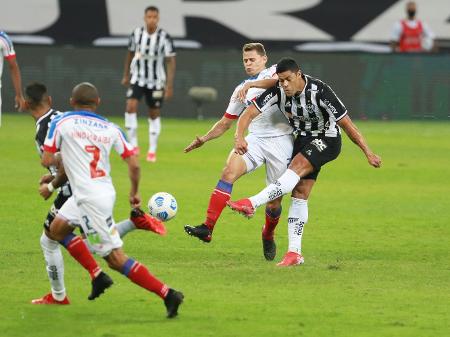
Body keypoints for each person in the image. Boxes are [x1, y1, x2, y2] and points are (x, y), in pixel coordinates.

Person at [42, 82, 183, 317]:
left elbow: (47, 159)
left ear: (71, 102)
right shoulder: (111, 128)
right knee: (55, 230)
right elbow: (134, 164)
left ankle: (168, 294)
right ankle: (97, 276)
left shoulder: (61, 121)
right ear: (97, 103)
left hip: (89, 199)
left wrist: (59, 162)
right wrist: (135, 192)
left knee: (116, 259)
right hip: (98, 192)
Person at [227, 57, 382, 266]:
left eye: (288, 80)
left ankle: (251, 203)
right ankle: (294, 253)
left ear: (299, 74)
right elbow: (248, 114)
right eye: (281, 81)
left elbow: (347, 124)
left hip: (327, 139)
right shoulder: (278, 91)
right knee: (299, 194)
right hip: (303, 139)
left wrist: (367, 152)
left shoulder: (320, 91)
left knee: (294, 168)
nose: (285, 85)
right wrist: (239, 135)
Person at [184, 43, 293, 261]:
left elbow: (277, 83)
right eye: (245, 61)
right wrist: (204, 138)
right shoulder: (241, 89)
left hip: (282, 141)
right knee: (228, 172)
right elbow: (225, 123)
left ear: (264, 59)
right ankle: (207, 228)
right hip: (254, 140)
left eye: (252, 59)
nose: (248, 64)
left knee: (274, 202)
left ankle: (268, 233)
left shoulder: (275, 73)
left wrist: (253, 83)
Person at [121, 5, 176, 162]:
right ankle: (133, 146)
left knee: (153, 113)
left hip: (156, 80)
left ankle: (152, 149)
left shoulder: (164, 37)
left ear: (158, 19)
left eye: (154, 17)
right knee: (130, 106)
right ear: (145, 18)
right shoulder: (136, 34)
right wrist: (126, 75)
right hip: (137, 78)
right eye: (149, 17)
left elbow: (171, 61)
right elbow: (130, 54)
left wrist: (169, 86)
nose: (151, 20)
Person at [0, 30, 25, 126]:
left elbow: (13, 66)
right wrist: (19, 95)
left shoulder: (3, 38)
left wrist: (19, 94)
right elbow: (13, 67)